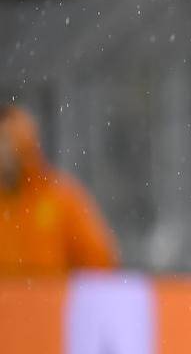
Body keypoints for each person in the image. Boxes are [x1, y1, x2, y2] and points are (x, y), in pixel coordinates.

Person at [0, 105, 118, 274]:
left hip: (55, 291)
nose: (3, 152)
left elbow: (100, 261)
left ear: (22, 146)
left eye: (5, 141)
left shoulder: (61, 198)